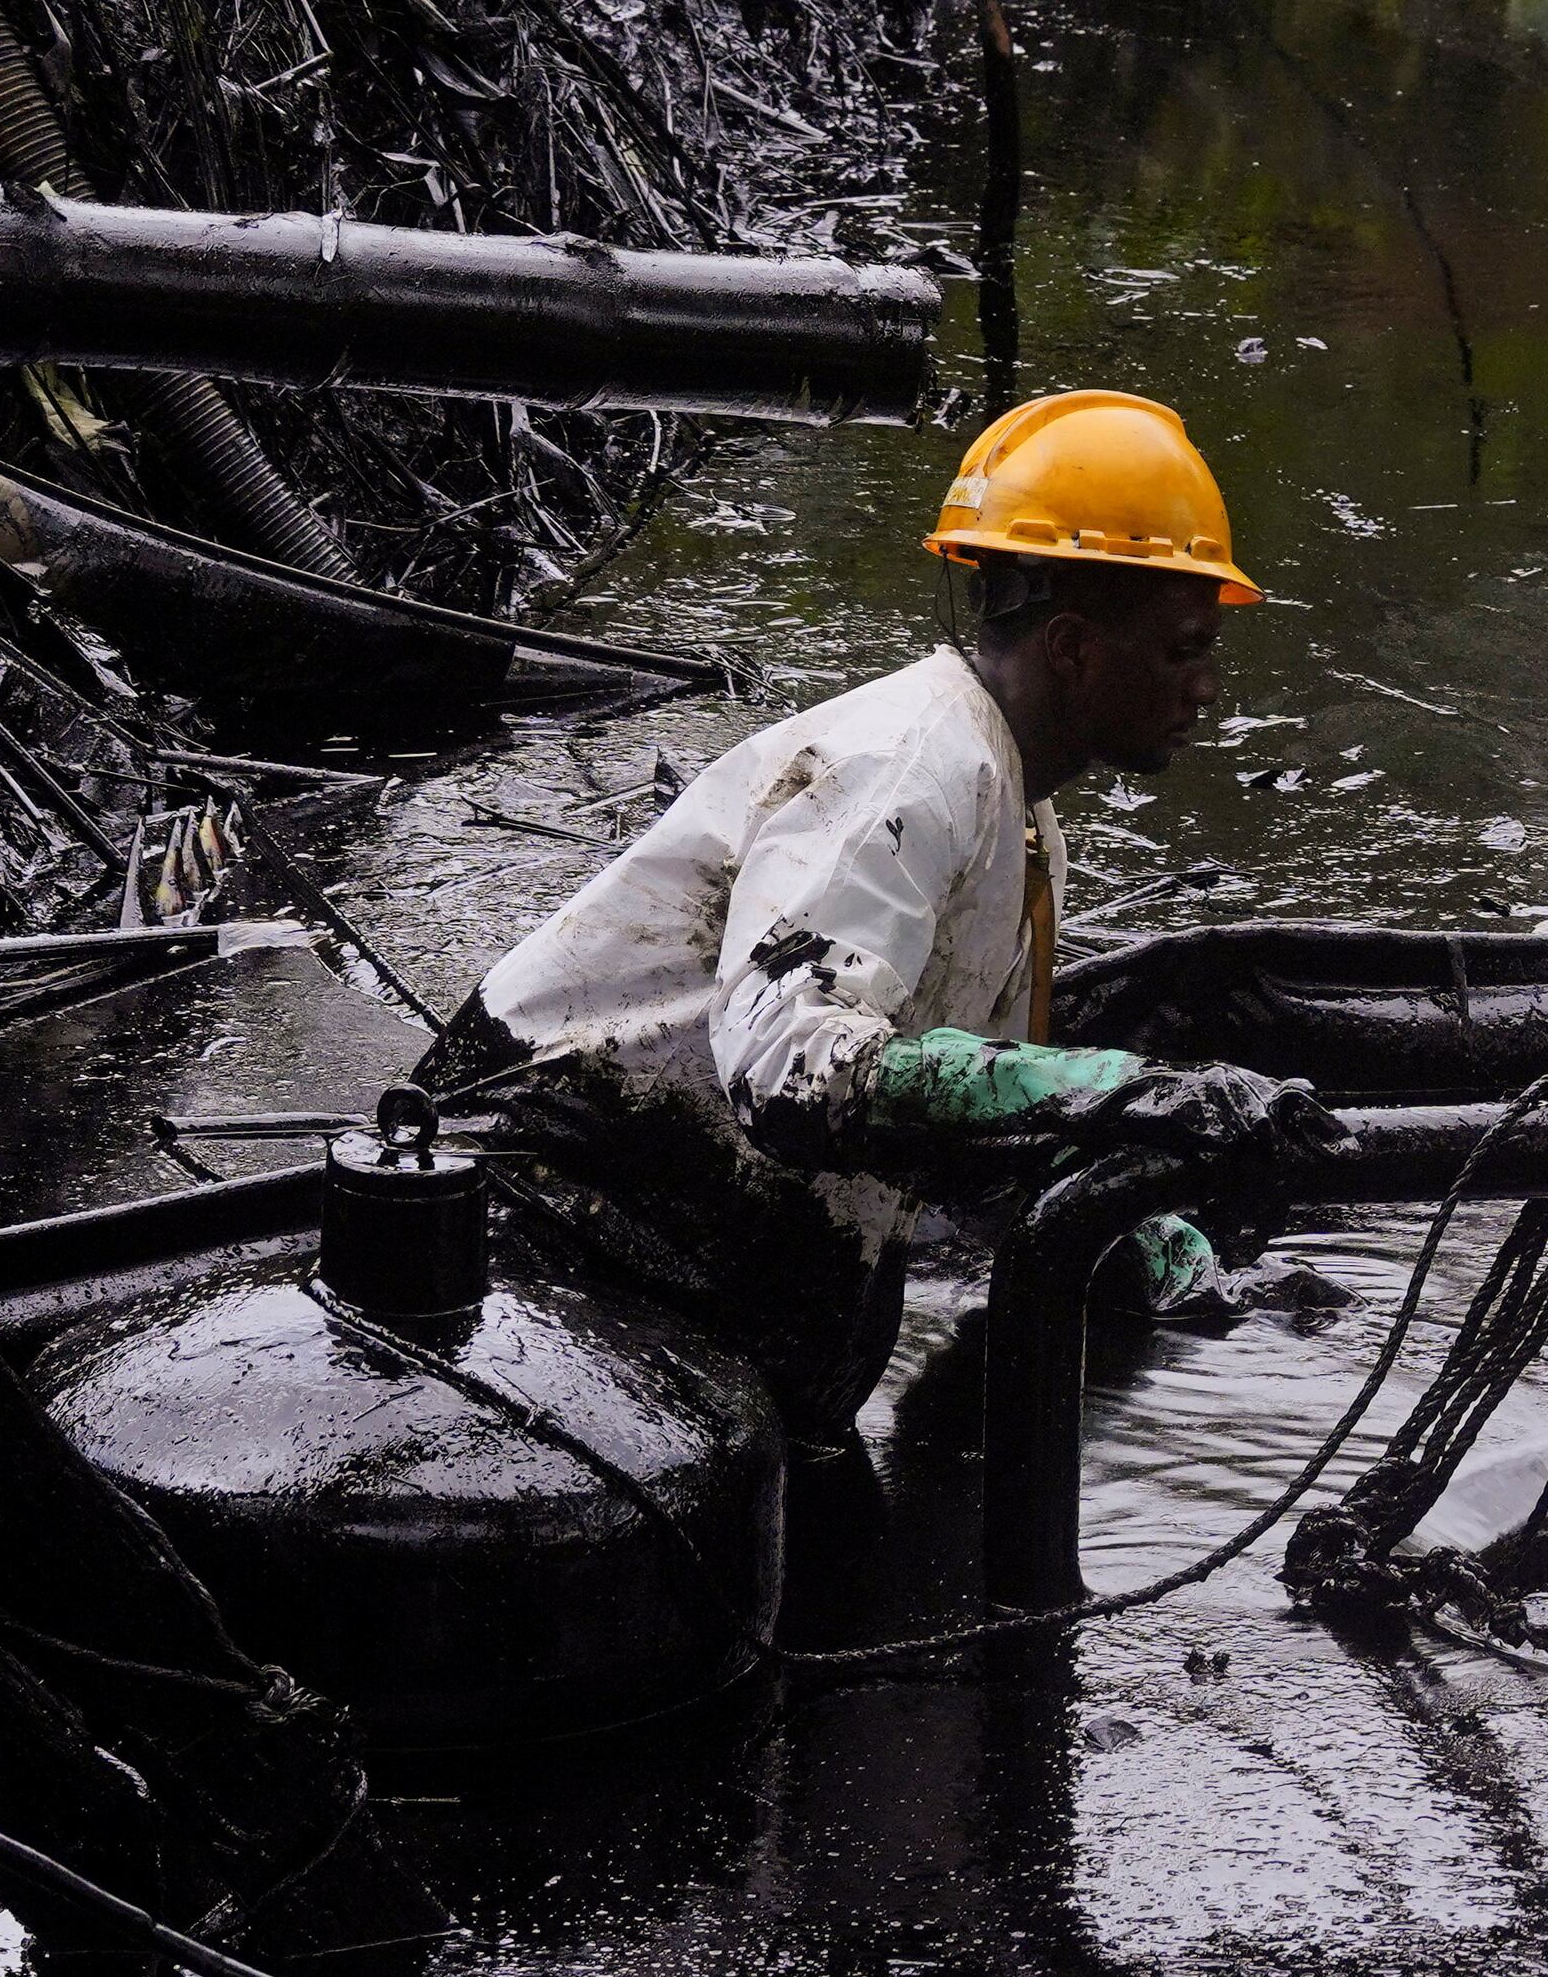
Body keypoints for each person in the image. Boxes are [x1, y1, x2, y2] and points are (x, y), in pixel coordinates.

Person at [427, 388, 1336, 1446]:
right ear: (1077, 648)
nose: (1207, 690)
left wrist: (1166, 1257)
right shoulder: (902, 773)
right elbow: (792, 1066)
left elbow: (977, 1117)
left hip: (699, 1253)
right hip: (536, 1224)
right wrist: (1104, 1086)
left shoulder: (1018, 815)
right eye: (1184, 649)